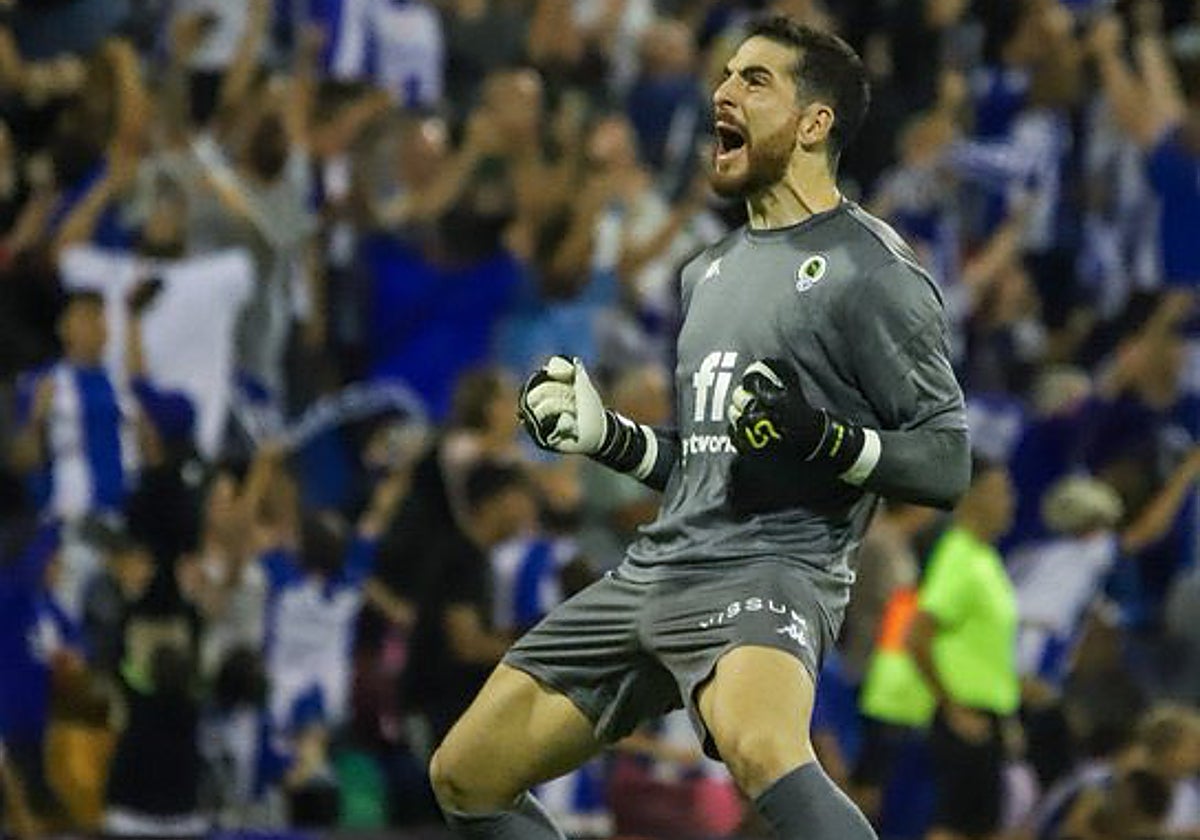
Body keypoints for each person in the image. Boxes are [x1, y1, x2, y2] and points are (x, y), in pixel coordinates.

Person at [429, 15, 970, 840]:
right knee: (466, 774)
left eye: (755, 81)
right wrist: (606, 435)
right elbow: (711, 464)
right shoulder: (706, 272)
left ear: (814, 123)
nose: (723, 91)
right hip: (656, 566)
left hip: (773, 564)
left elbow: (944, 463)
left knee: (763, 749)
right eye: (724, 75)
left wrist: (823, 439)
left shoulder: (875, 271)